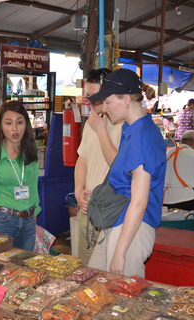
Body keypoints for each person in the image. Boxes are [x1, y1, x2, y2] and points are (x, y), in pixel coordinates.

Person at [86, 69, 167, 277]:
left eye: (109, 101)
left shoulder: (143, 136)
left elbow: (139, 202)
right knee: (95, 282)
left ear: (128, 99)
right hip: (118, 222)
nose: (105, 108)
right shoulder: (131, 130)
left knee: (123, 299)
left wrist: (120, 252)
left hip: (132, 230)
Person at [0, 101, 40, 251]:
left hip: (28, 220)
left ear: (26, 124)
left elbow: (33, 185)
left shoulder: (31, 149)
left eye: (20, 122)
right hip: (1, 220)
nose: (15, 129)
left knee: (24, 268)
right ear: (0, 126)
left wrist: (35, 213)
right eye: (8, 123)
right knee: (1, 268)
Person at [75, 68, 122, 265]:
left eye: (97, 98)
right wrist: (78, 191)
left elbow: (119, 167)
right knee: (83, 267)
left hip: (111, 210)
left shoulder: (124, 125)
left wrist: (103, 131)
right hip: (87, 206)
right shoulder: (90, 122)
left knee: (107, 271)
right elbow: (82, 159)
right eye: (89, 97)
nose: (92, 103)